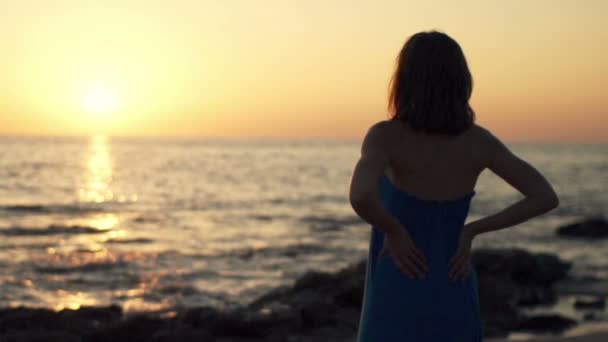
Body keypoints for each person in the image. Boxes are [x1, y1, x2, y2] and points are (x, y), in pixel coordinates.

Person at [350, 30, 559, 341]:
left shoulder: (385, 137)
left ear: (404, 80)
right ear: (461, 81)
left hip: (400, 275)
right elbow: (544, 196)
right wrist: (471, 230)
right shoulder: (479, 142)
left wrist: (394, 230)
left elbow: (361, 194)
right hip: (453, 277)